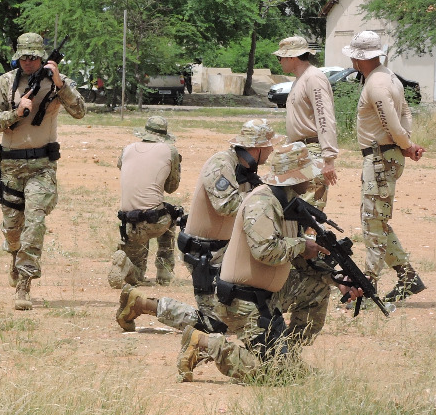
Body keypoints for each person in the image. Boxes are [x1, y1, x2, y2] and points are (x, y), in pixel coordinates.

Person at [175, 142, 356, 383]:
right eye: (307, 173)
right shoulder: (263, 202)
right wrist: (303, 245)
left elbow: (304, 263)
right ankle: (205, 343)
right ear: (295, 176)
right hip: (242, 302)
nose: (312, 180)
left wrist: (338, 280)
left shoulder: (289, 203)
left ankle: (282, 354)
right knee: (274, 377)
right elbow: (266, 251)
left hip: (266, 296)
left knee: (316, 290)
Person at [116, 119, 276, 334]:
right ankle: (144, 305)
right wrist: (263, 198)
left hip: (222, 251)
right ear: (256, 147)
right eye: (269, 146)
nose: (272, 150)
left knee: (233, 319)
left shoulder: (245, 167)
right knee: (215, 326)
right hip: (204, 253)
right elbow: (226, 205)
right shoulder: (221, 164)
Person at [0, 31, 86, 310]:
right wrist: (16, 113)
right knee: (13, 228)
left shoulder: (57, 83)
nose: (28, 62)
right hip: (10, 165)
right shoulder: (5, 83)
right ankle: (15, 258)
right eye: (23, 57)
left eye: (33, 57)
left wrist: (60, 82)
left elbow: (80, 111)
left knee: (34, 220)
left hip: (42, 166)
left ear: (42, 58)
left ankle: (25, 283)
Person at [343, 29, 427, 302]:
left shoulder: (376, 84)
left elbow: (391, 120)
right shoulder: (389, 78)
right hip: (385, 156)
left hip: (379, 158)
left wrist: (406, 145)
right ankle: (407, 277)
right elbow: (405, 113)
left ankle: (368, 288)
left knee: (372, 224)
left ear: (359, 58)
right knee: (377, 221)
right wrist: (408, 143)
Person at [109, 115, 182, 289]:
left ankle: (127, 266)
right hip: (154, 222)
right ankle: (164, 271)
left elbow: (122, 167)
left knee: (137, 274)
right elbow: (171, 188)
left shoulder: (127, 149)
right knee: (172, 214)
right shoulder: (170, 151)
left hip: (129, 223)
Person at [275, 36, 338, 208]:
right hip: (299, 150)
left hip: (312, 151)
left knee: (309, 209)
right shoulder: (300, 80)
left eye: (280, 57)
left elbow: (325, 118)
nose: (279, 61)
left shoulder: (313, 78)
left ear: (292, 57)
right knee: (296, 208)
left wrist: (328, 158)